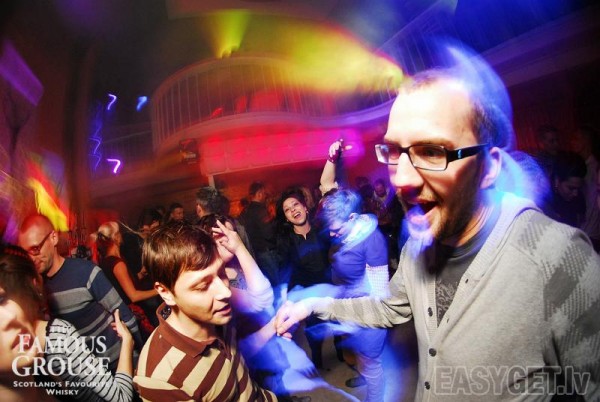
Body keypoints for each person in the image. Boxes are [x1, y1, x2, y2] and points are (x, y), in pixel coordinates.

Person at [275, 68, 600, 401]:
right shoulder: (419, 245)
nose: (401, 179)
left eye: (432, 151)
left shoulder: (557, 258)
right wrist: (314, 305)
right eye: (394, 152)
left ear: (488, 168)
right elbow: (388, 308)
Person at [134, 222, 276, 401]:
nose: (225, 292)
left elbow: (236, 357)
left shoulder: (217, 311)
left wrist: (274, 326)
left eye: (222, 273)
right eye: (202, 286)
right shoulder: (161, 380)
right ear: (166, 293)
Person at [0, 244, 135, 402]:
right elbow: (122, 398)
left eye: (2, 299)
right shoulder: (57, 334)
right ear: (34, 283)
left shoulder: (28, 356)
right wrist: (128, 341)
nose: (9, 317)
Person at [17, 214, 143, 373]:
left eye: (35, 249)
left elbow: (125, 315)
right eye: (26, 253)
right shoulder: (36, 287)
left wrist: (140, 358)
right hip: (86, 374)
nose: (31, 258)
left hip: (118, 363)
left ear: (53, 238)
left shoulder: (86, 272)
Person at [316, 189, 389, 402]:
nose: (331, 235)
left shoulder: (372, 240)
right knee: (360, 358)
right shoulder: (347, 232)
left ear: (352, 218)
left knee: (371, 364)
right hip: (351, 310)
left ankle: (374, 397)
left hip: (368, 315)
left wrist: (346, 312)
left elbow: (378, 293)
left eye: (336, 229)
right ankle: (365, 375)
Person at [275, 188, 332, 369]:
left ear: (305, 208)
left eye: (296, 204)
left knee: (337, 320)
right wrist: (287, 297)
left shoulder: (322, 230)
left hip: (329, 286)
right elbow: (285, 271)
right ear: (286, 218)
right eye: (287, 209)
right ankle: (317, 360)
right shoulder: (286, 241)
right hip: (306, 292)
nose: (293, 210)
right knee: (313, 329)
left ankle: (342, 353)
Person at [93, 221, 161, 333]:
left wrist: (140, 274)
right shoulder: (117, 264)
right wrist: (159, 290)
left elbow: (122, 285)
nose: (121, 235)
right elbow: (133, 296)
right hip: (130, 312)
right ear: (115, 237)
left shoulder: (108, 260)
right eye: (119, 233)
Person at [542, 152, 587, 228]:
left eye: (579, 188)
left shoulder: (579, 198)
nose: (575, 193)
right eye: (571, 188)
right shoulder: (543, 200)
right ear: (557, 180)